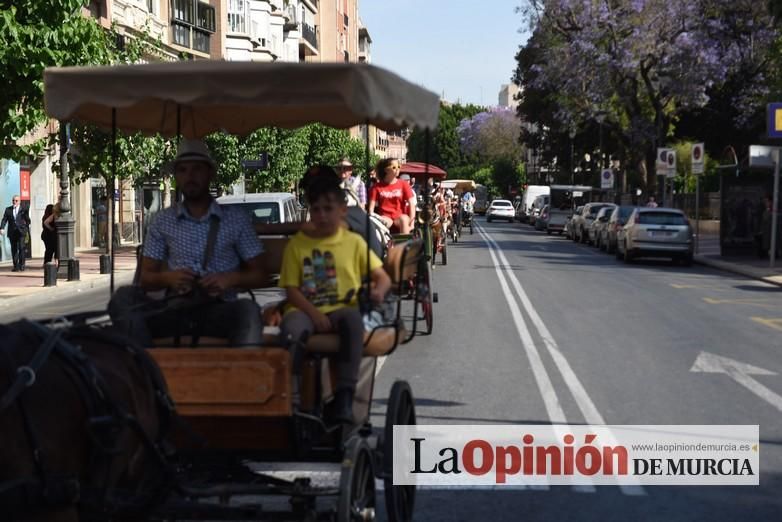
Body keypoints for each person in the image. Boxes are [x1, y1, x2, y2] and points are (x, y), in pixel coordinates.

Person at [109, 139, 266, 346]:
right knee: (123, 298)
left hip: (219, 310)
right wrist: (170, 278)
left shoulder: (235, 219)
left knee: (248, 310)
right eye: (182, 170)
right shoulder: (163, 220)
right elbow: (146, 278)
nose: (189, 177)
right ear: (176, 177)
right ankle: (144, 368)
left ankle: (244, 374)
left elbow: (260, 274)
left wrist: (228, 279)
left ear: (209, 173)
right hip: (174, 309)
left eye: (197, 170)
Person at [279, 173, 391, 423]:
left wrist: (378, 291)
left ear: (342, 210)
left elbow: (382, 277)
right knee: (291, 331)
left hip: (342, 307)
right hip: (303, 309)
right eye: (315, 209)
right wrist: (315, 314)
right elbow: (291, 290)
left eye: (328, 209)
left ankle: (344, 396)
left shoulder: (353, 243)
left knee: (352, 322)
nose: (321, 216)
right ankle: (292, 394)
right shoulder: (298, 244)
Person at [368, 158, 416, 234]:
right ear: (386, 170)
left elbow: (412, 205)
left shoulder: (404, 184)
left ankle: (406, 244)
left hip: (400, 217)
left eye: (399, 167)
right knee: (380, 221)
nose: (397, 169)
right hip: (385, 217)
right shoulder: (376, 187)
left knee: (404, 219)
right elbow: (371, 209)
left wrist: (412, 224)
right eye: (394, 167)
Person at [1, 195, 31, 272]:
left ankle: (22, 265)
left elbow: (27, 220)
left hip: (21, 232)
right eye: (13, 200)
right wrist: (2, 228)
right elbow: (4, 219)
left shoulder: (23, 209)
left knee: (21, 248)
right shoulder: (8, 210)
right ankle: (16, 266)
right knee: (14, 249)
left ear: (19, 201)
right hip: (12, 232)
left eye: (16, 200)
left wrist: (26, 227)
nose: (14, 202)